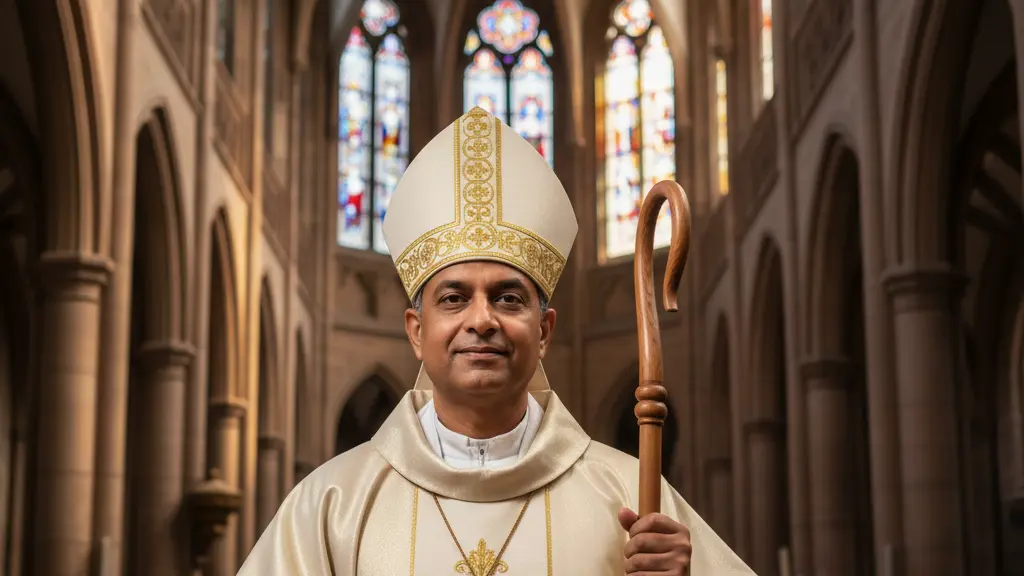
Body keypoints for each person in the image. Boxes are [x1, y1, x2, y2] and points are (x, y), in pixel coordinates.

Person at [238, 107, 755, 575]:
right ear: (416, 333)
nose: (482, 319)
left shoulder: (630, 496)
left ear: (545, 330)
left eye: (508, 299)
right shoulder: (332, 505)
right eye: (454, 298)